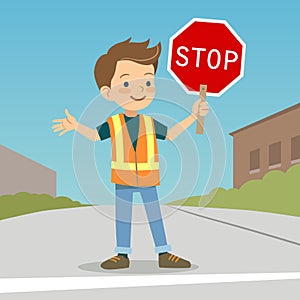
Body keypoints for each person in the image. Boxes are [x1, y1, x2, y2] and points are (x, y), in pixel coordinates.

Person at [52, 38, 209, 269]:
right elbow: (96, 136)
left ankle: (163, 252)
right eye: (126, 84)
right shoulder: (114, 123)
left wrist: (193, 116)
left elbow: (173, 134)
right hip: (123, 180)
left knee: (154, 216)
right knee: (123, 217)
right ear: (107, 92)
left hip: (148, 178)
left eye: (147, 82)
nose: (139, 90)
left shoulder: (150, 122)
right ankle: (122, 254)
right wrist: (76, 127)